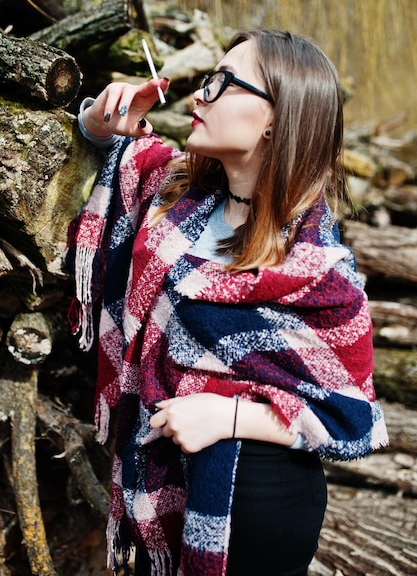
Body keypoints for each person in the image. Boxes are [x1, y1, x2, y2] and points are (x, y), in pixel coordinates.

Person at [65, 29, 388, 576]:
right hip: (161, 484)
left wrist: (228, 415)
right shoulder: (180, 200)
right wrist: (99, 119)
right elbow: (123, 153)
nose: (198, 95)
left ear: (275, 119)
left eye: (221, 83)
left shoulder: (321, 272)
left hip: (258, 507)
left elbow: (354, 420)